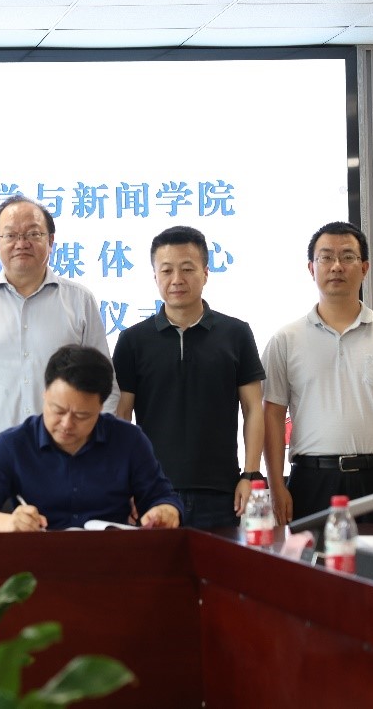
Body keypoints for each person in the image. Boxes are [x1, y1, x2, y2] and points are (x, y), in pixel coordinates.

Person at [0, 195, 115, 505]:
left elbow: (106, 388)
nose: (22, 243)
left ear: (51, 241)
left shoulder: (79, 301)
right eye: (11, 235)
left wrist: (102, 455)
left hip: (68, 454)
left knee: (67, 538)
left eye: (33, 233)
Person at [261, 221, 373, 525]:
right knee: (313, 557)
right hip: (311, 481)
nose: (336, 266)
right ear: (311, 268)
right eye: (326, 257)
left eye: (347, 257)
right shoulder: (286, 339)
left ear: (364, 268)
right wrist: (276, 485)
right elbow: (272, 414)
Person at [112, 226, 266, 529]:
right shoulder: (132, 340)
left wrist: (250, 474)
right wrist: (122, 479)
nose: (176, 279)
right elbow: (121, 416)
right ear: (155, 276)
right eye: (166, 270)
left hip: (222, 492)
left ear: (205, 273)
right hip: (151, 492)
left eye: (187, 269)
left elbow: (253, 408)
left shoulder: (236, 333)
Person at [0, 345, 182, 532]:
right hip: (37, 562)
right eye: (58, 410)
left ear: (100, 407)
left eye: (81, 415)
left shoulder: (128, 440)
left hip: (111, 559)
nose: (66, 424)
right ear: (45, 394)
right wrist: (9, 523)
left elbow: (162, 497)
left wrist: (164, 512)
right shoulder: (13, 444)